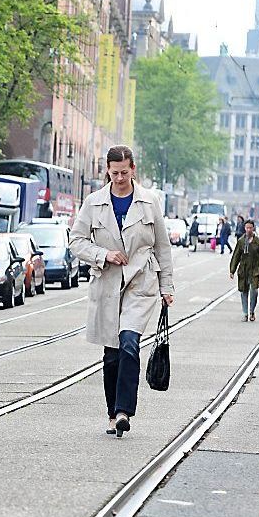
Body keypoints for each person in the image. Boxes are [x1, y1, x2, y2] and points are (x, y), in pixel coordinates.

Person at [69, 145, 174, 438]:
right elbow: (76, 241)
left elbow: (162, 247)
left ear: (133, 169)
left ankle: (125, 411)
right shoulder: (94, 203)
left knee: (129, 343)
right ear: (107, 171)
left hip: (140, 283)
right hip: (107, 284)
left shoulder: (149, 202)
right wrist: (104, 254)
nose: (119, 178)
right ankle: (113, 414)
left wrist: (167, 286)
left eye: (124, 173)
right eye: (114, 173)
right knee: (112, 354)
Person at [229, 219, 259, 322]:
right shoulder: (241, 241)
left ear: (253, 228)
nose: (249, 230)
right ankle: (245, 313)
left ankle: (252, 311)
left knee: (254, 290)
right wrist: (232, 270)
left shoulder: (258, 241)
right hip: (243, 270)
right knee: (243, 291)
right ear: (244, 228)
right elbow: (236, 256)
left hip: (255, 270)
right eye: (247, 228)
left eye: (250, 228)